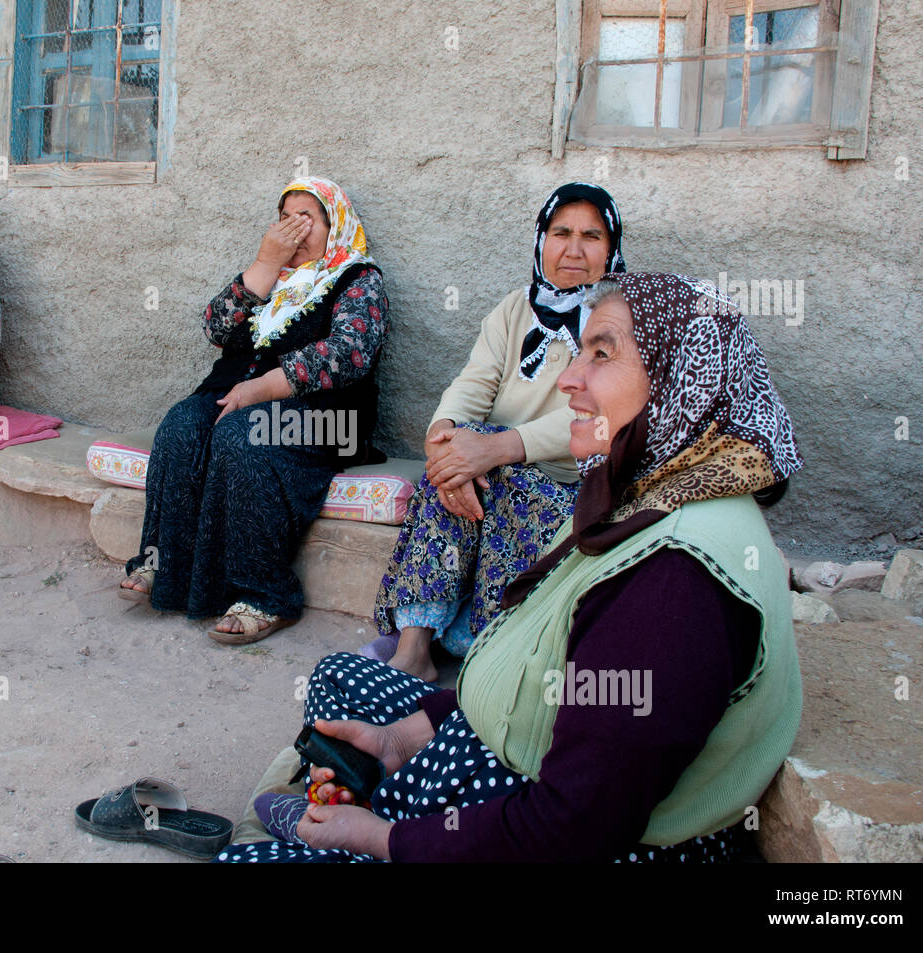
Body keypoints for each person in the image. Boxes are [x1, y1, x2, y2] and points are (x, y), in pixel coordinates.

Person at [218, 272, 804, 862]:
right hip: (519, 756)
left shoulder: (674, 582)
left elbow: (570, 828)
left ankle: (368, 820)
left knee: (243, 861)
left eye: (602, 353)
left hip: (562, 833)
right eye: (579, 352)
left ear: (687, 378)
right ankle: (375, 787)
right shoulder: (654, 493)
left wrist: (381, 839)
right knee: (339, 678)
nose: (570, 378)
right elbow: (545, 686)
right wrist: (408, 735)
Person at [368, 183, 625, 681]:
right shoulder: (515, 310)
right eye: (561, 233)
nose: (573, 249)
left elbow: (603, 416)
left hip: (578, 489)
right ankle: (414, 648)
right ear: (541, 241)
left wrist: (495, 449)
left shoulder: (621, 322)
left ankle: (486, 643)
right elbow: (474, 382)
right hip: (496, 464)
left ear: (611, 248)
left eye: (591, 236)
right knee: (449, 464)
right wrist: (444, 440)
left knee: (493, 472)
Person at [119, 176, 388, 644]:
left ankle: (266, 594)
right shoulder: (269, 277)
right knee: (182, 426)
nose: (294, 229)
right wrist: (265, 264)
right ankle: (165, 564)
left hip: (330, 421)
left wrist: (263, 387)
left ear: (336, 224)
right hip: (235, 400)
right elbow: (216, 328)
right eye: (286, 217)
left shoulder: (359, 277)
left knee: (244, 436)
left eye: (308, 218)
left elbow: (351, 352)